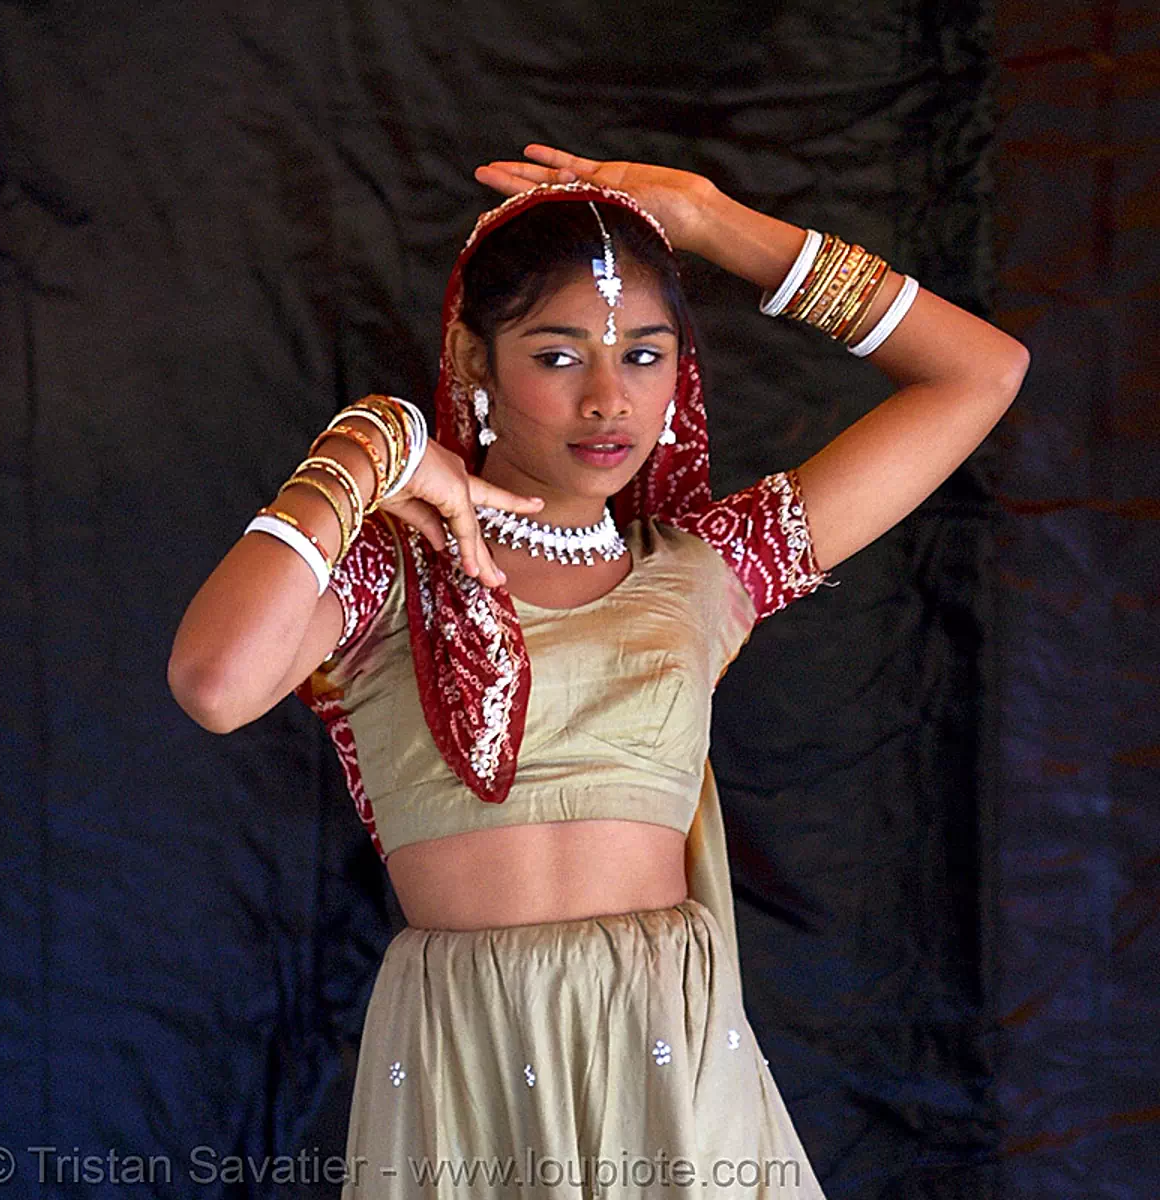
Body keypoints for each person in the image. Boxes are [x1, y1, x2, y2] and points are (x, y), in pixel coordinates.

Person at [168, 145, 1030, 1198]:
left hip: (670, 1066)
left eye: (647, 353)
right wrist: (374, 441)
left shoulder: (710, 567)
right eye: (560, 354)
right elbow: (215, 684)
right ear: (475, 360)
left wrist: (716, 225)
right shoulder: (388, 571)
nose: (611, 400)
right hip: (462, 1066)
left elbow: (981, 373)